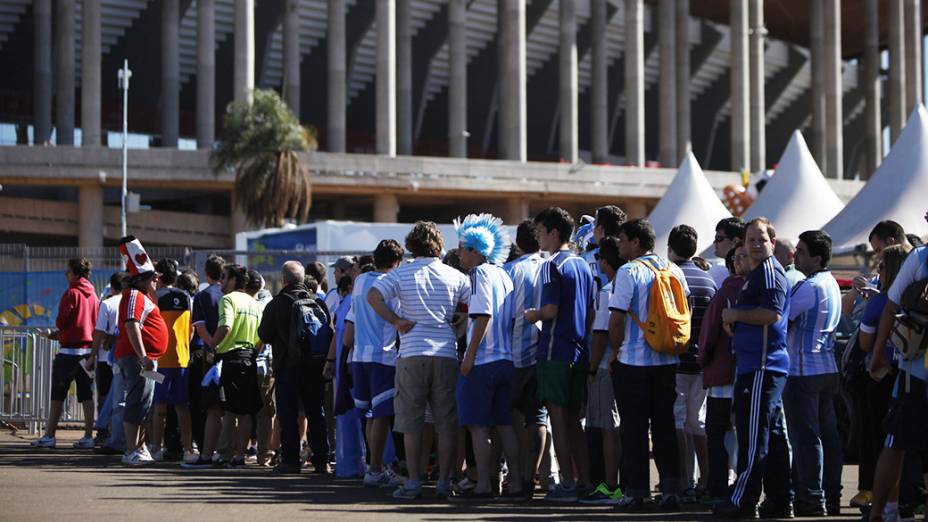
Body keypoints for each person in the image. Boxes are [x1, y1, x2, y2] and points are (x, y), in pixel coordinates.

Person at [369, 221, 471, 500]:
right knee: (446, 422)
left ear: (412, 244)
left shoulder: (401, 274)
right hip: (446, 352)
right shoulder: (458, 277)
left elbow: (373, 296)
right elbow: (466, 313)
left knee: (411, 421)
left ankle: (414, 481)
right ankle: (444, 481)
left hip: (412, 352)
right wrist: (457, 328)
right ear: (439, 244)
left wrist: (396, 321)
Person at [714, 217, 793, 519]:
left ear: (772, 242)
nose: (756, 245)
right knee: (770, 438)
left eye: (761, 239)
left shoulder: (770, 273)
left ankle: (743, 501)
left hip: (762, 366)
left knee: (753, 437)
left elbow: (771, 314)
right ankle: (779, 499)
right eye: (751, 240)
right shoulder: (758, 272)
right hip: (758, 364)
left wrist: (734, 314)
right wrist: (736, 320)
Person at [608, 218, 687, 510]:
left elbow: (615, 319)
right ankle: (671, 489)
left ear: (636, 242)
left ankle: (637, 491)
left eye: (622, 239)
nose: (619, 244)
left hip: (634, 360)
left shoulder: (628, 272)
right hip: (667, 358)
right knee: (665, 426)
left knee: (634, 428)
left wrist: (615, 352)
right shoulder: (673, 269)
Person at [450, 213, 525, 501]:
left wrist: (468, 357)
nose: (458, 253)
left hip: (483, 362)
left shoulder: (479, 274)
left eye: (462, 247)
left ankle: (483, 485)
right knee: (505, 425)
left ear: (475, 251)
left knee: (478, 426)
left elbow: (483, 317)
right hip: (507, 360)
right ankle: (516, 483)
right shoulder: (504, 275)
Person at [524, 207, 595, 502]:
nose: (538, 237)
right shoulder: (583, 265)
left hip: (555, 351)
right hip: (579, 351)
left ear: (554, 233)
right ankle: (584, 481)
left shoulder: (552, 265)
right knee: (574, 421)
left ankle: (566, 482)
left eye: (540, 231)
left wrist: (532, 314)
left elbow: (550, 311)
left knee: (558, 420)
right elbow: (590, 312)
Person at [782, 230, 843, 516]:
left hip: (804, 369)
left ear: (817, 258)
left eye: (802, 251)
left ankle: (812, 497)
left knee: (806, 438)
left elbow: (782, 318)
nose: (796, 255)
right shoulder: (829, 282)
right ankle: (830, 495)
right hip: (827, 367)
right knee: (827, 436)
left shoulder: (809, 287)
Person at [866, 241, 928, 522]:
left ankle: (878, 513)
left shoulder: (921, 257)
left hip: (915, 368)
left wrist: (879, 353)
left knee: (896, 443)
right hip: (915, 369)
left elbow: (891, 305)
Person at [341, 240, 405, 488]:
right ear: (396, 262)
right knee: (379, 416)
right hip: (382, 356)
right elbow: (398, 316)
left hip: (360, 357)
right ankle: (375, 468)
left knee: (369, 414)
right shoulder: (390, 283)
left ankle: (373, 466)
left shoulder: (360, 281)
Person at [257, 261, 331, 474]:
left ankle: (290, 460)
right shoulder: (317, 302)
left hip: (287, 368)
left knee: (288, 414)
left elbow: (264, 335)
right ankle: (321, 460)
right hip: (314, 367)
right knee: (316, 413)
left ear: (284, 280)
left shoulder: (277, 303)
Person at [853, 245, 907, 512]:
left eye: (882, 266)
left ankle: (880, 505)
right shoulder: (915, 296)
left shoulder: (879, 302)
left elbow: (864, 343)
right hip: (911, 373)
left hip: (880, 374)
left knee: (882, 439)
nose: (877, 270)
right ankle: (906, 501)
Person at [667, 224, 716, 501]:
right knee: (699, 423)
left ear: (670, 248)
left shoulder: (669, 277)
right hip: (702, 362)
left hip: (674, 359)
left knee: (677, 421)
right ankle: (706, 479)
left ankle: (682, 480)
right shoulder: (708, 280)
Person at [32, 258, 100, 449]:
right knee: (87, 395)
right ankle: (88, 436)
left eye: (67, 271)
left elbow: (62, 321)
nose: (65, 274)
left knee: (57, 395)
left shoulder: (71, 293)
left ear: (75, 273)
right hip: (87, 353)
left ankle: (49, 436)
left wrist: (55, 333)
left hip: (68, 353)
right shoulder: (94, 296)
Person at [699, 241, 748, 503]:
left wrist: (704, 360)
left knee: (717, 432)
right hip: (749, 373)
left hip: (721, 373)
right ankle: (744, 487)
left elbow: (708, 336)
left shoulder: (725, 292)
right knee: (744, 434)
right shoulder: (762, 290)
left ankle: (718, 487)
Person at [114, 237, 169, 465]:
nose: (157, 280)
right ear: (144, 279)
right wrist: (144, 356)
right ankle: (131, 450)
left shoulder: (143, 296)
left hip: (145, 360)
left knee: (143, 403)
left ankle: (139, 446)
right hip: (139, 360)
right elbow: (131, 324)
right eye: (154, 277)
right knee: (137, 403)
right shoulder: (135, 296)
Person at [503, 220, 548, 494]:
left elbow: (504, 316)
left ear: (518, 243)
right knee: (538, 418)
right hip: (542, 352)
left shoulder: (511, 270)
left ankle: (518, 477)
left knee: (513, 417)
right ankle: (532, 476)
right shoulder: (549, 267)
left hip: (513, 353)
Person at [205, 264, 264, 468]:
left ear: (232, 280)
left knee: (229, 409)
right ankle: (239, 456)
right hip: (249, 357)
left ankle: (225, 456)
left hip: (230, 358)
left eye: (224, 277)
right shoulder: (254, 303)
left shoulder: (228, 299)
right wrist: (252, 352)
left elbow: (226, 326)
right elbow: (261, 337)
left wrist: (212, 345)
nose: (220, 280)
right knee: (245, 411)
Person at [579, 235, 624, 505]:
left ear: (604, 262)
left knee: (608, 427)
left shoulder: (608, 290)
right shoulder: (633, 283)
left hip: (607, 365)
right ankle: (618, 483)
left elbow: (599, 334)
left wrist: (592, 367)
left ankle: (610, 485)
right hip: (629, 363)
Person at [150, 258, 198, 465]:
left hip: (159, 360)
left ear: (158, 276)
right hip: (182, 360)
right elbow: (192, 328)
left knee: (158, 407)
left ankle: (155, 448)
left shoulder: (153, 297)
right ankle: (188, 449)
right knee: (182, 407)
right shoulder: (186, 297)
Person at [189, 255, 225, 454]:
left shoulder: (202, 296)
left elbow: (200, 328)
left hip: (209, 356)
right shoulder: (231, 294)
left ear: (207, 273)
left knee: (210, 404)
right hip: (232, 352)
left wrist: (212, 344)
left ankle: (207, 447)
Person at [91, 272, 128, 453]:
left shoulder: (107, 303)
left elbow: (99, 332)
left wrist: (92, 356)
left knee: (106, 397)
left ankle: (104, 432)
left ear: (112, 286)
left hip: (107, 357)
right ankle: (118, 434)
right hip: (125, 357)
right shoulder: (128, 303)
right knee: (121, 398)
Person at [709, 217, 746, 287]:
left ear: (735, 241)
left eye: (719, 238)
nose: (714, 242)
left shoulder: (718, 270)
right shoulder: (751, 267)